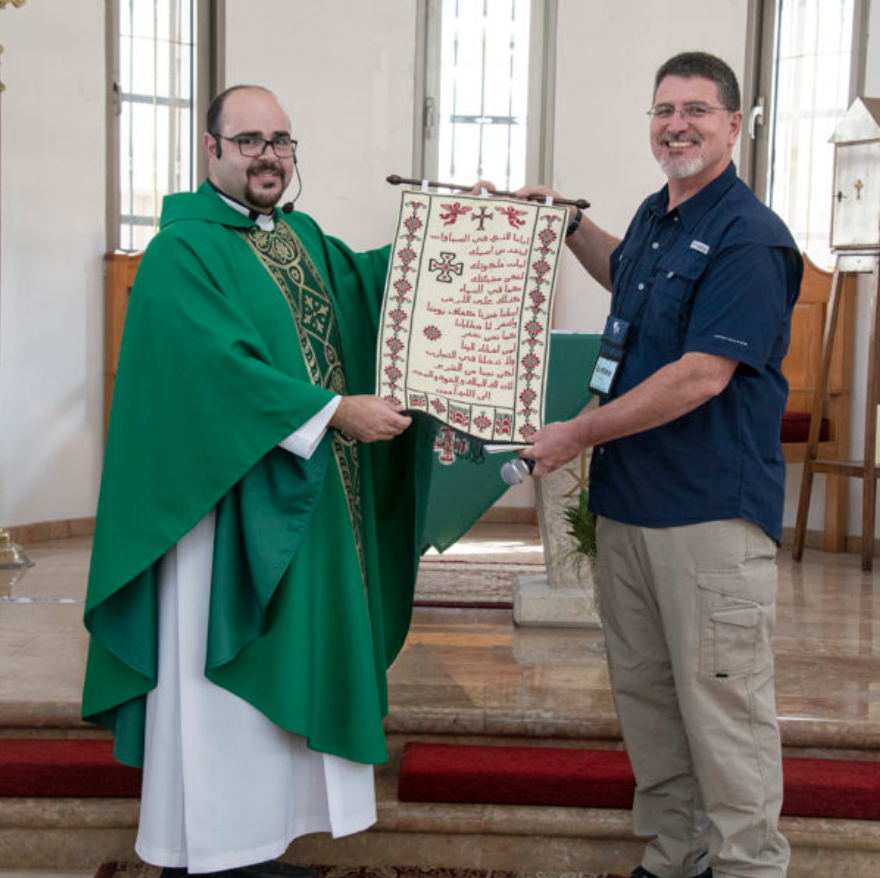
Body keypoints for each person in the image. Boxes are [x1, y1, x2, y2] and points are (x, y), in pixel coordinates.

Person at [81, 85, 433, 877]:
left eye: (281, 140)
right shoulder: (184, 249)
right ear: (211, 151)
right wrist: (333, 411)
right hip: (222, 513)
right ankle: (211, 848)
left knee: (282, 690)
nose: (268, 155)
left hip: (308, 506)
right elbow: (209, 372)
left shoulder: (302, 236)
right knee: (222, 700)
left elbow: (371, 290)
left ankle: (261, 845)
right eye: (248, 141)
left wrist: (456, 234)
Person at [517, 53, 801, 878]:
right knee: (648, 703)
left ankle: (748, 867)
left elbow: (702, 374)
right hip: (631, 506)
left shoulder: (752, 239)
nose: (677, 123)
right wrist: (569, 222)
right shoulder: (656, 215)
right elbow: (628, 278)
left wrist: (576, 434)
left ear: (735, 124)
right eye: (663, 109)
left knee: (725, 712)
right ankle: (675, 855)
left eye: (698, 110)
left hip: (707, 516)